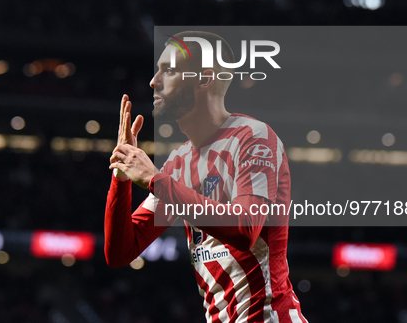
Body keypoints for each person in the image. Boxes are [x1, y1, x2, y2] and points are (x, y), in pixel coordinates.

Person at [105, 31, 307, 323]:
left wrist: (155, 180)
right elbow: (121, 251)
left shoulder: (253, 138)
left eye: (169, 70)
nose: (153, 81)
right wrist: (121, 176)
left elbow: (244, 229)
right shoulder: (178, 163)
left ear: (203, 79)